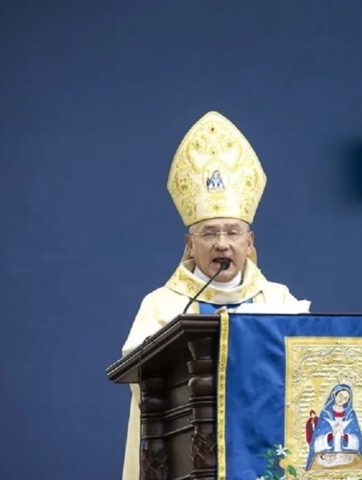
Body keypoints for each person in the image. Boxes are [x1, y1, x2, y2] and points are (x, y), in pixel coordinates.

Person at [121, 111, 306, 480]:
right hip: (184, 455)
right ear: (190, 245)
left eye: (232, 232)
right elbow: (141, 377)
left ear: (249, 242)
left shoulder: (279, 302)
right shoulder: (163, 305)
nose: (222, 243)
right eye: (209, 233)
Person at [306, 384, 362, 471]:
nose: (342, 399)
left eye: (345, 398)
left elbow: (358, 442)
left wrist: (345, 436)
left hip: (346, 459)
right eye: (340, 396)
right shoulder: (325, 414)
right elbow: (316, 443)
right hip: (327, 459)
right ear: (334, 395)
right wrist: (331, 435)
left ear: (348, 401)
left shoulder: (350, 414)